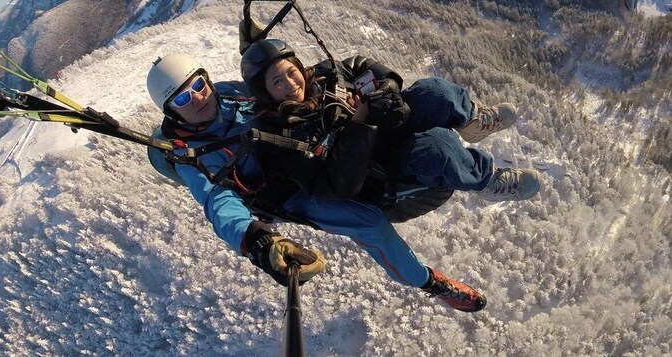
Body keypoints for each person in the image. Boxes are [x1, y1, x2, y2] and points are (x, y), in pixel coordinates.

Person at [146, 54, 487, 312]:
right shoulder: (192, 155)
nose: (197, 98)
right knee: (370, 223)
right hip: (288, 192)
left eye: (197, 85)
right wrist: (255, 242)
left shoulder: (229, 94)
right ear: (171, 111)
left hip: (308, 147)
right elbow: (217, 202)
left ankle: (465, 124)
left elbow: (264, 82)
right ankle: (427, 281)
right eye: (182, 98)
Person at [239, 39, 541, 209]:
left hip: (389, 122)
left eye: (291, 73)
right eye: (277, 82)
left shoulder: (324, 75)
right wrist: (358, 126)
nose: (291, 85)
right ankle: (486, 181)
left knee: (434, 92)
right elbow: (333, 185)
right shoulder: (283, 135)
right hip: (379, 168)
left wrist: (385, 91)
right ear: (265, 92)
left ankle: (472, 122)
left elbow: (363, 65)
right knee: (438, 147)